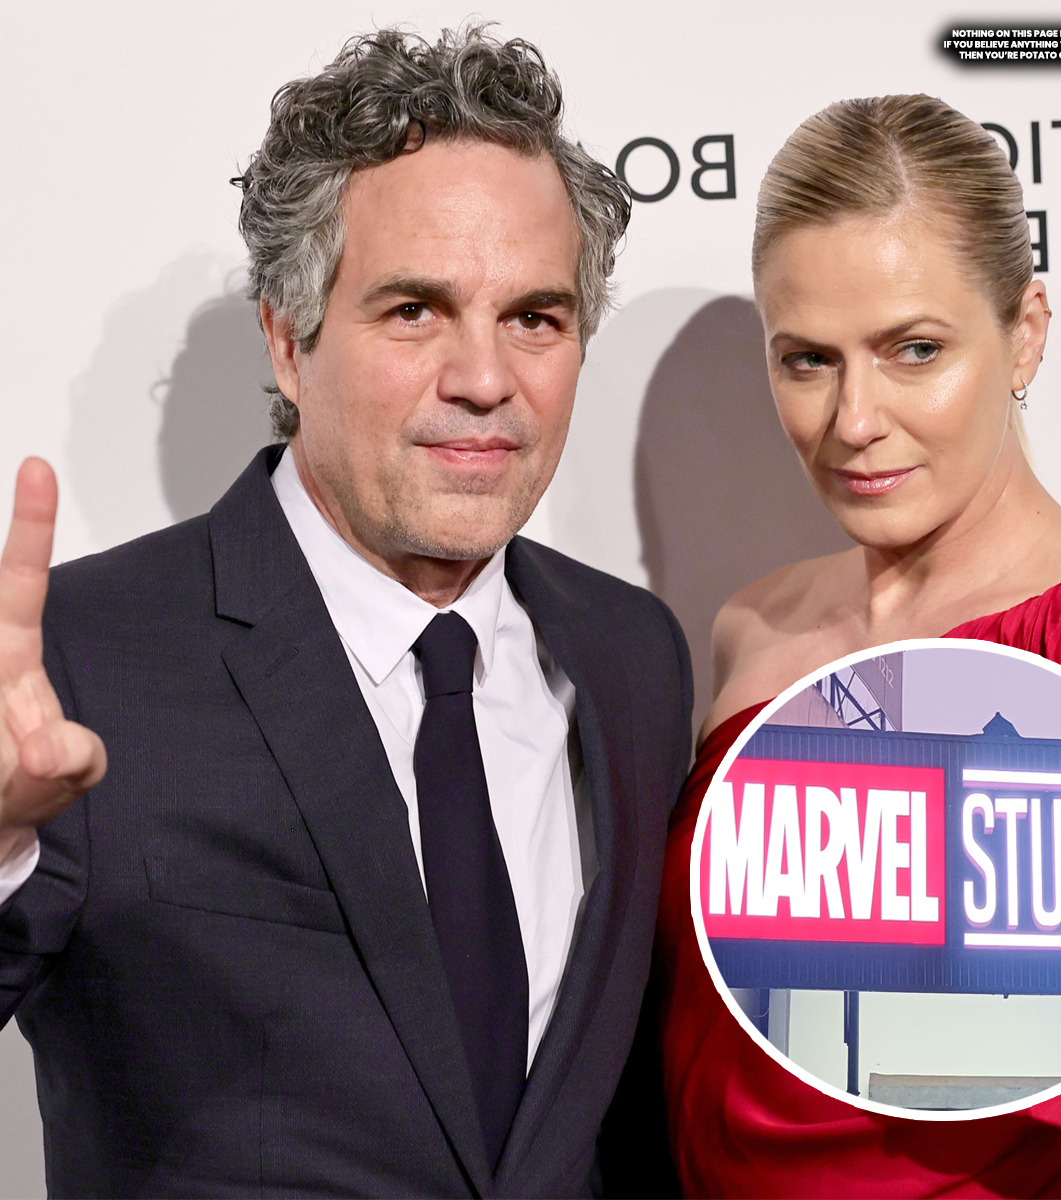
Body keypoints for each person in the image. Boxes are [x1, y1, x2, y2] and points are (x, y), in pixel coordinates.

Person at [0, 26, 693, 1198]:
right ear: (288, 338)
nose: (485, 379)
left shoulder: (634, 657)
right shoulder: (84, 657)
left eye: (535, 317)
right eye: (416, 310)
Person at [656, 93, 1061, 1197]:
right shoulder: (750, 630)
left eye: (915, 350)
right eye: (808, 360)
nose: (855, 419)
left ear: (1025, 333)